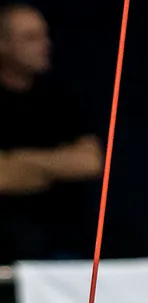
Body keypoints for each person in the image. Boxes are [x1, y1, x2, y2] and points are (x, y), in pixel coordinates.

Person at [0, 3, 103, 263]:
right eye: (31, 37)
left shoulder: (61, 99)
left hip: (62, 237)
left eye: (44, 35)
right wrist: (57, 165)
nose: (44, 44)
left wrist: (20, 161)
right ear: (3, 44)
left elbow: (91, 162)